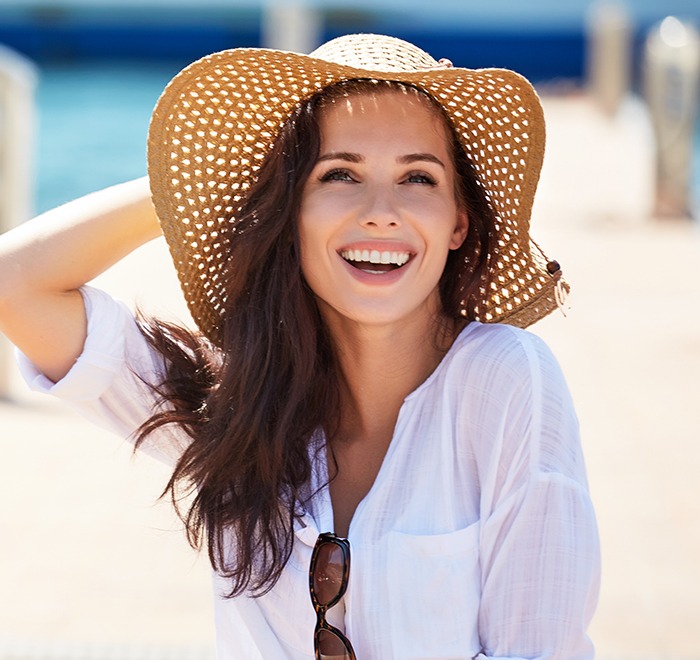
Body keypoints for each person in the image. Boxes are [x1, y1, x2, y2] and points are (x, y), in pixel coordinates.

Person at [0, 33, 600, 659]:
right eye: (340, 174)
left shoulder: (504, 382)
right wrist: (209, 187)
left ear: (457, 223)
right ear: (289, 211)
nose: (381, 212)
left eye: (418, 178)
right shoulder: (234, 405)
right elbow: (16, 286)